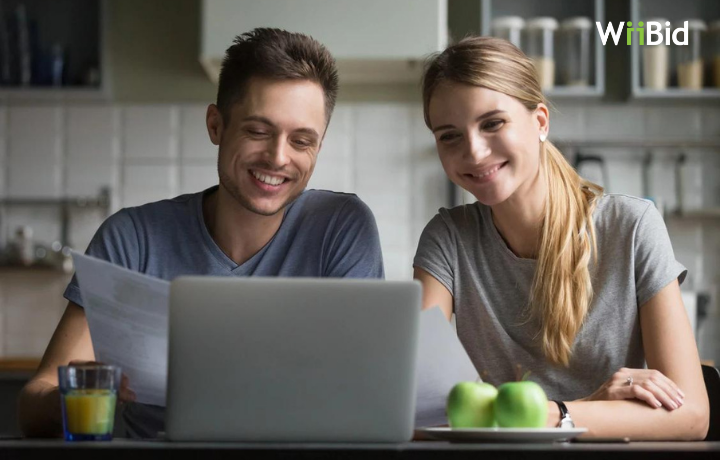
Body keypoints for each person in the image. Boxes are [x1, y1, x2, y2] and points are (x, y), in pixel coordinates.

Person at [18, 28, 384, 439]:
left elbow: (360, 393)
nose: (279, 157)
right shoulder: (132, 238)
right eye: (258, 131)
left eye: (302, 140)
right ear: (216, 125)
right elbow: (37, 395)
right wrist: (76, 398)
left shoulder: (342, 227)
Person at [413, 36, 709, 440]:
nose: (475, 152)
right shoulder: (448, 239)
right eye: (450, 136)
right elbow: (413, 405)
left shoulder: (632, 226)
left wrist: (554, 415)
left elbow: (692, 414)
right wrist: (591, 407)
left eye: (492, 123)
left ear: (540, 122)